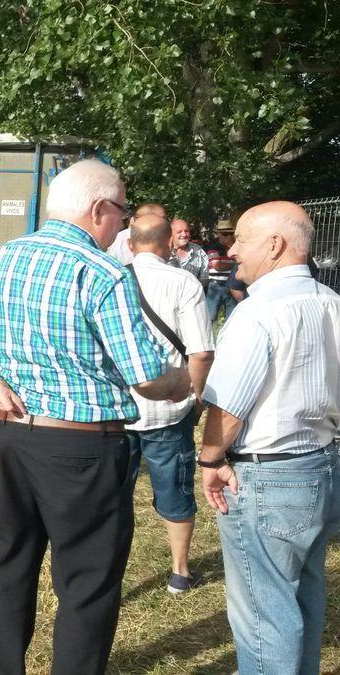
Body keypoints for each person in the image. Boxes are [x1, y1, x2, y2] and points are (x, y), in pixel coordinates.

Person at [0, 159, 190, 675]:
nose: (123, 223)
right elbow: (144, 375)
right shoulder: (102, 273)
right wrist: (184, 380)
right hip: (84, 450)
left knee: (10, 567)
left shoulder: (0, 259)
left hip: (12, 438)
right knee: (88, 582)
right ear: (98, 209)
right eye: (121, 210)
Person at [198, 201, 340, 675]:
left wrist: (210, 460)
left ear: (275, 245)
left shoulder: (258, 312)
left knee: (264, 613)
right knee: (303, 594)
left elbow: (228, 406)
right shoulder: (331, 303)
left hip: (270, 476)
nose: (231, 249)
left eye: (240, 238)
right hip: (321, 466)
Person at [124, 214, 215, 593]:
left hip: (116, 410)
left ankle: (105, 570)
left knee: (110, 496)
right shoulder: (184, 282)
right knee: (175, 490)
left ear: (130, 244)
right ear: (167, 244)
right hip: (169, 407)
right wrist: (195, 397)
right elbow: (202, 352)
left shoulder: (109, 277)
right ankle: (179, 571)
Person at [202, 219, 238, 322]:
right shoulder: (214, 247)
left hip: (232, 286)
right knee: (210, 318)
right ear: (219, 234)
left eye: (229, 233)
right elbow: (217, 265)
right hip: (216, 285)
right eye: (224, 234)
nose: (228, 236)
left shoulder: (236, 247)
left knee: (232, 318)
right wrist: (235, 265)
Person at [168, 218, 210, 287]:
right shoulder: (162, 251)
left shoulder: (199, 252)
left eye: (186, 231)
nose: (184, 234)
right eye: (179, 232)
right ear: (171, 233)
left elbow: (204, 279)